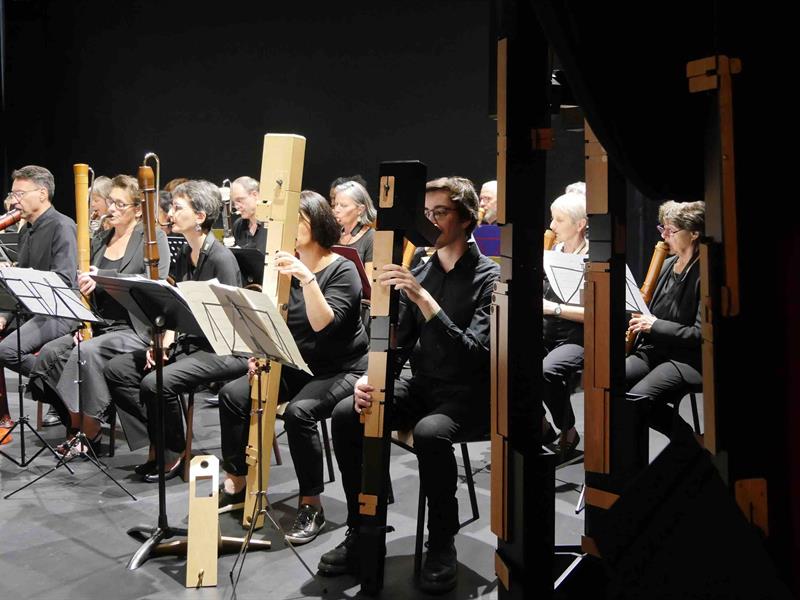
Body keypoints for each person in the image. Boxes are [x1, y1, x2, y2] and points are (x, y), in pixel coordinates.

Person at [319, 177, 499, 594]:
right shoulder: (421, 270)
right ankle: (363, 528)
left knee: (430, 433)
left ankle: (442, 542)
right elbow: (400, 345)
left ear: (468, 219)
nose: (431, 221)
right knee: (348, 413)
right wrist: (371, 378)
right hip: (421, 385)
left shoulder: (489, 278)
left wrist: (424, 299)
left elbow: (475, 354)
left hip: (467, 394)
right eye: (428, 213)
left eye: (441, 213)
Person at [217, 190, 368, 545]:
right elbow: (272, 322)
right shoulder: (281, 266)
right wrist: (260, 350)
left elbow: (323, 326)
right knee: (233, 395)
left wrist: (308, 279)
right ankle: (237, 480)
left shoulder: (342, 270)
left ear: (316, 223)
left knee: (301, 413)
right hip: (297, 363)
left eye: (295, 221)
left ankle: (310, 503)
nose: (285, 229)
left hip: (342, 368)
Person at [104, 180, 247, 481]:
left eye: (178, 208)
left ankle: (175, 453)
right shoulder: (184, 254)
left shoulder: (222, 258)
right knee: (118, 369)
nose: (170, 212)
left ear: (200, 216)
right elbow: (174, 311)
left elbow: (233, 323)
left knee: (157, 383)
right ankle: (158, 442)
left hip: (224, 348)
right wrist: (163, 345)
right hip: (193, 343)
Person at [28, 175, 170, 455]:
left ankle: (89, 433)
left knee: (87, 353)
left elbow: (155, 282)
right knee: (51, 352)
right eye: (111, 202)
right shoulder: (101, 238)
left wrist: (103, 277)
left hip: (135, 329)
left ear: (138, 209)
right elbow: (84, 284)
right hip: (100, 324)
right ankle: (75, 425)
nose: (112, 209)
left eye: (120, 203)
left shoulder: (152, 238)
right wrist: (82, 320)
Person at [626, 200, 704, 436]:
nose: (664, 236)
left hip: (687, 358)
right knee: (609, 380)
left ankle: (689, 442)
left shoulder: (705, 271)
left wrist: (654, 325)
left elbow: (699, 333)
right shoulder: (666, 264)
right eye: (663, 229)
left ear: (694, 233)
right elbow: (647, 310)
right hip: (655, 350)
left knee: (639, 399)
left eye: (671, 230)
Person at [0, 166, 77, 382]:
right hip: (32, 311)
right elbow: (20, 281)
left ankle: (69, 384)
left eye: (20, 194)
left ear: (42, 194)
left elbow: (64, 280)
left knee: (6, 351)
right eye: (13, 194)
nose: (14, 201)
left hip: (58, 313)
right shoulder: (26, 230)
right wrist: (4, 316)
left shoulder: (63, 225)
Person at [541, 186, 588, 456]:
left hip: (578, 336)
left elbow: (593, 313)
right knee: (505, 359)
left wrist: (553, 309)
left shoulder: (591, 258)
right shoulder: (552, 251)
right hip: (547, 332)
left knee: (545, 371)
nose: (551, 225)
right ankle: (541, 425)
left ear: (580, 224)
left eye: (559, 220)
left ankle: (567, 428)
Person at [331, 180, 376, 271]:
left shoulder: (371, 237)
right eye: (336, 204)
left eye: (343, 205)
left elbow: (370, 279)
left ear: (360, 209)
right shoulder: (333, 234)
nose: (336, 210)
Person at [230, 176, 267, 250]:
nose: (237, 207)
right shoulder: (238, 225)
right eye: (234, 202)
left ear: (255, 195)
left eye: (239, 200)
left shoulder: (272, 226)